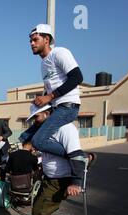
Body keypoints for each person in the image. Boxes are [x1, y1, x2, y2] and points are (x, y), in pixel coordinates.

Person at [20, 104, 95, 215]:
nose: (35, 121)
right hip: (49, 178)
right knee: (38, 211)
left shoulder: (66, 129)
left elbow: (74, 154)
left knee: (39, 213)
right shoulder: (45, 131)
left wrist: (76, 182)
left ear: (47, 114)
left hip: (61, 181)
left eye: (37, 117)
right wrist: (42, 168)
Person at [19, 24, 85, 159]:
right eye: (30, 41)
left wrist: (49, 96)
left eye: (35, 40)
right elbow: (52, 88)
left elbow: (77, 77)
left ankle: (79, 157)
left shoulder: (59, 53)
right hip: (55, 108)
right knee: (24, 137)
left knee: (38, 141)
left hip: (67, 107)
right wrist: (41, 99)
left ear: (46, 40)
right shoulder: (43, 64)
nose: (32, 43)